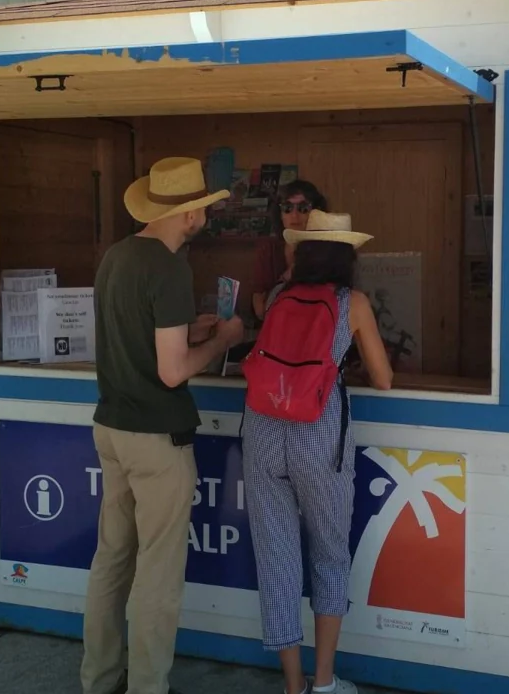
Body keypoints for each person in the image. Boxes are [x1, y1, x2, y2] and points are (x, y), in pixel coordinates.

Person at [82, 156, 245, 694]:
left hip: (112, 428)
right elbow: (172, 372)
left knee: (111, 561)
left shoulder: (117, 256)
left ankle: (99, 679)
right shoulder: (170, 266)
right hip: (158, 438)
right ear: (192, 215)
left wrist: (191, 330)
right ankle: (149, 687)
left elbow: (143, 341)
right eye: (203, 210)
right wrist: (222, 340)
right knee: (157, 573)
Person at [241, 211, 393, 694]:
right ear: (348, 255)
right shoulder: (354, 303)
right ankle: (324, 683)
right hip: (318, 437)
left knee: (277, 560)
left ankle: (293, 685)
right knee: (329, 556)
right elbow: (385, 378)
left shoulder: (279, 297)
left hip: (263, 432)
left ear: (301, 252)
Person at [252, 179, 328, 321]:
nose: (294, 215)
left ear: (316, 212)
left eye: (303, 208)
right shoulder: (269, 250)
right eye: (287, 208)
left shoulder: (326, 250)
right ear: (279, 214)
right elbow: (260, 309)